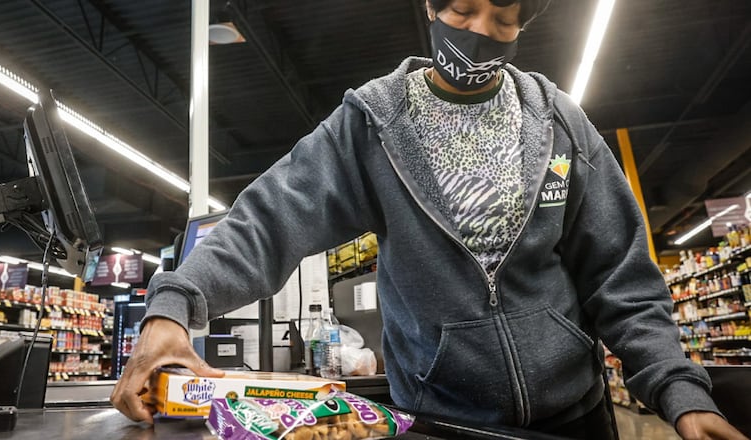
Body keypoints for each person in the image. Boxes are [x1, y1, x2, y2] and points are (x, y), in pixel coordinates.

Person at [111, 1, 747, 439]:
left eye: (504, 19)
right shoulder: (372, 127)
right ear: (430, 8)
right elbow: (265, 222)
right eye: (463, 11)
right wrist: (172, 309)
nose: (481, 31)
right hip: (443, 421)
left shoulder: (557, 123)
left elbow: (622, 278)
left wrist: (679, 393)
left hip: (576, 419)